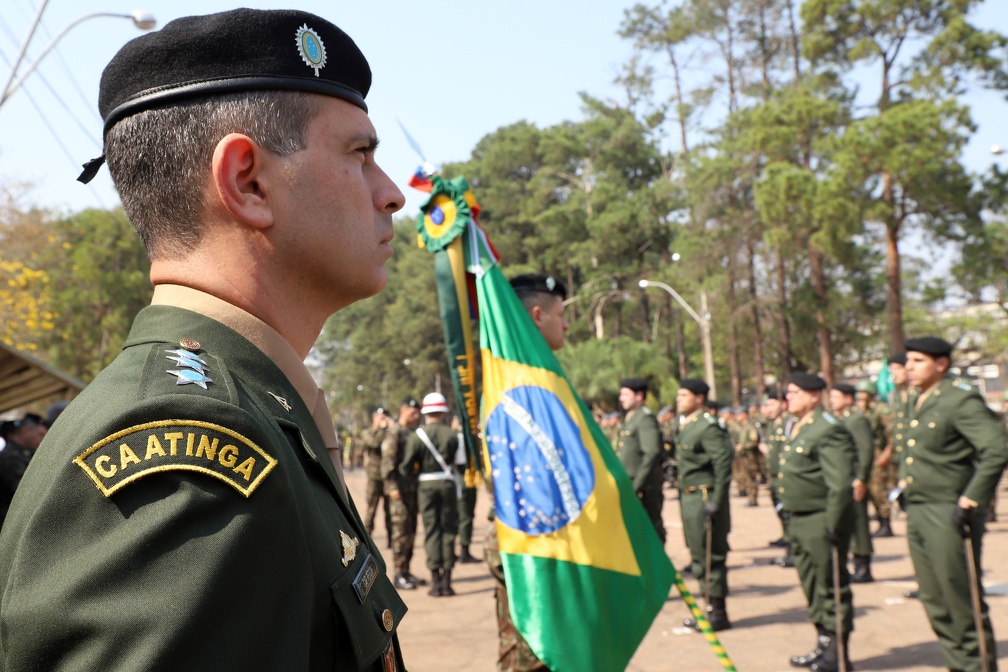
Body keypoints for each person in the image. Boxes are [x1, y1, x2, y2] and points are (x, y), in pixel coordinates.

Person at [0, 10, 408, 670]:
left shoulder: (248, 410)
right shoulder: (193, 452)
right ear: (247, 181)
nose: (391, 195)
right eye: (360, 155)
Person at [903, 336, 1008, 672]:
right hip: (919, 508)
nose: (909, 367)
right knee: (935, 600)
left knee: (960, 598)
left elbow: (997, 449)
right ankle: (958, 665)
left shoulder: (958, 400)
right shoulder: (916, 399)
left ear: (941, 364)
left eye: (917, 360)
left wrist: (971, 498)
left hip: (947, 509)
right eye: (909, 360)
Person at [487, 272, 568, 671]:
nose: (566, 323)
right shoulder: (520, 381)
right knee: (530, 658)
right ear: (537, 315)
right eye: (561, 313)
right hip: (530, 544)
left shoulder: (541, 377)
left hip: (545, 540)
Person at [781, 372, 857, 672]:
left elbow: (839, 484)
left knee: (831, 586)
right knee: (812, 585)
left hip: (820, 518)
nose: (788, 398)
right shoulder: (799, 427)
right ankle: (823, 644)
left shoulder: (827, 428)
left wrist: (834, 524)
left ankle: (838, 655)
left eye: (794, 392)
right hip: (799, 519)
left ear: (814, 396)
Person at [674, 378, 734, 631]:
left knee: (711, 556)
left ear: (699, 398)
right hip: (689, 495)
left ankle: (717, 613)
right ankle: (708, 607)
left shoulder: (707, 426)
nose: (679, 399)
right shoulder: (688, 425)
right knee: (698, 555)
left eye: (684, 395)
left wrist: (717, 501)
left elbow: (722, 463)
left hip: (704, 496)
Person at [400, 392, 460, 596]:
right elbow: (459, 464)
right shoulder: (452, 435)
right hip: (448, 484)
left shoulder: (417, 436)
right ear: (443, 412)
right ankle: (448, 580)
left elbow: (406, 467)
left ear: (426, 412)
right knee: (449, 531)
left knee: (432, 530)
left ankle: (435, 582)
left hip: (425, 486)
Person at [830, 382, 876, 584]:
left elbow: (866, 450)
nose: (832, 401)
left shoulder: (857, 419)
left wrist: (861, 478)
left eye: (836, 397)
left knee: (859, 524)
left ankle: (863, 566)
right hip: (844, 478)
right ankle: (855, 563)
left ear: (849, 399)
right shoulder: (840, 419)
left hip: (855, 478)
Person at [382, 398, 425, 590]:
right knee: (400, 533)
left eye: (418, 412)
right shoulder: (395, 432)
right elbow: (388, 461)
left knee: (411, 532)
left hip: (411, 490)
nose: (417, 416)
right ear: (403, 410)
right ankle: (399, 574)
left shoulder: (412, 432)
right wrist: (392, 487)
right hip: (399, 491)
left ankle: (406, 571)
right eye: (413, 412)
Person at [617, 377, 665, 543]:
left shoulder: (644, 418)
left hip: (645, 485)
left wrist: (637, 483)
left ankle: (659, 567)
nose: (621, 398)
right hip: (631, 482)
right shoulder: (631, 417)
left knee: (651, 527)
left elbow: (651, 452)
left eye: (625, 394)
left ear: (638, 396)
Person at [761, 384, 796, 567]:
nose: (768, 409)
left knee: (789, 515)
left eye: (772, 404)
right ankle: (789, 548)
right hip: (774, 477)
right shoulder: (773, 424)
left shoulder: (789, 423)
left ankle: (794, 553)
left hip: (784, 478)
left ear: (783, 404)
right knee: (782, 514)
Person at [0, 413, 46, 528]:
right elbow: (26, 492)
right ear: (25, 431)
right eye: (40, 435)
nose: (43, 440)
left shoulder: (21, 453)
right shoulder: (10, 457)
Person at [362, 406, 393, 544]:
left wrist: (392, 428)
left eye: (385, 417)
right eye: (381, 417)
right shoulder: (368, 432)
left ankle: (392, 538)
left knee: (390, 510)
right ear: (374, 418)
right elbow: (374, 444)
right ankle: (367, 537)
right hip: (374, 477)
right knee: (371, 509)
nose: (383, 420)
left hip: (388, 477)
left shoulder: (390, 433)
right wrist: (381, 429)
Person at [732, 407, 761, 506]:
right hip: (742, 456)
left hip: (749, 456)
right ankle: (750, 498)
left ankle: (753, 499)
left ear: (744, 415)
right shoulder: (742, 427)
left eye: (739, 415)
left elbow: (754, 441)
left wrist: (743, 447)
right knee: (744, 477)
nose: (737, 417)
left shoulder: (750, 427)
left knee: (751, 478)